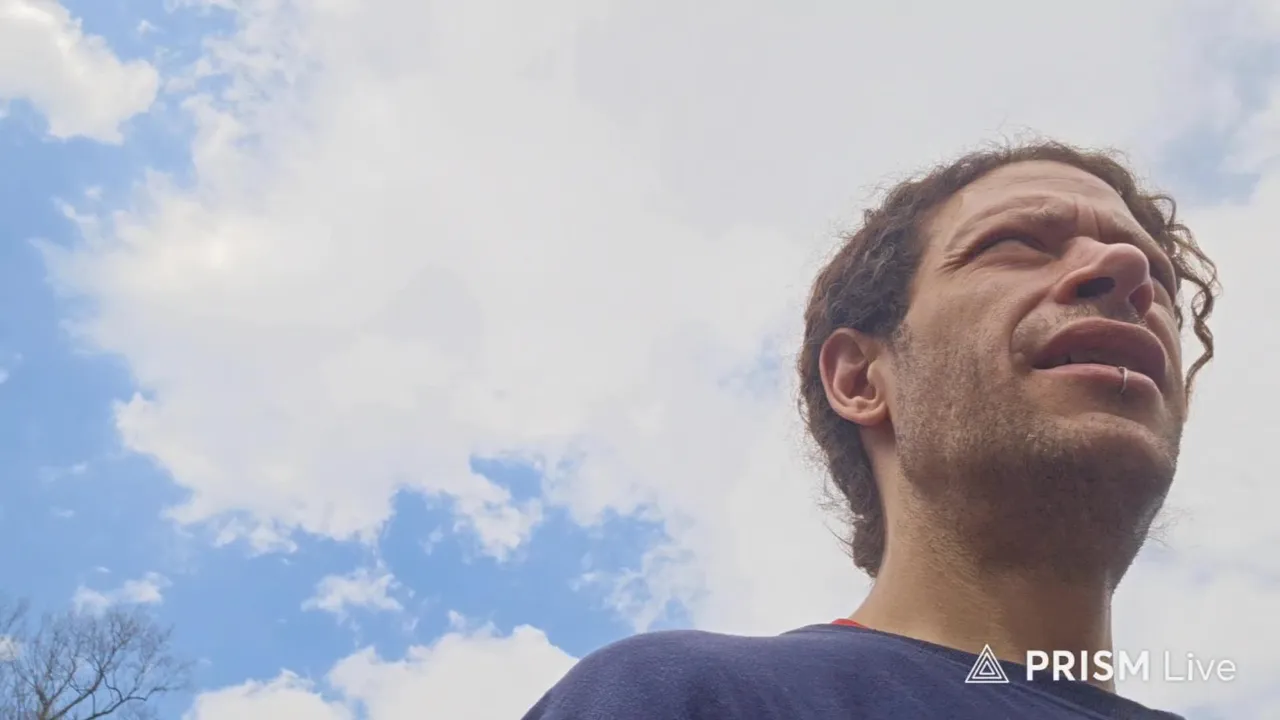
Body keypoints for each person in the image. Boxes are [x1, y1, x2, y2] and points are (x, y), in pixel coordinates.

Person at [520, 140, 1221, 719]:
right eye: (1017, 243)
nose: (1129, 272)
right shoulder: (683, 699)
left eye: (1158, 278)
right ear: (859, 379)